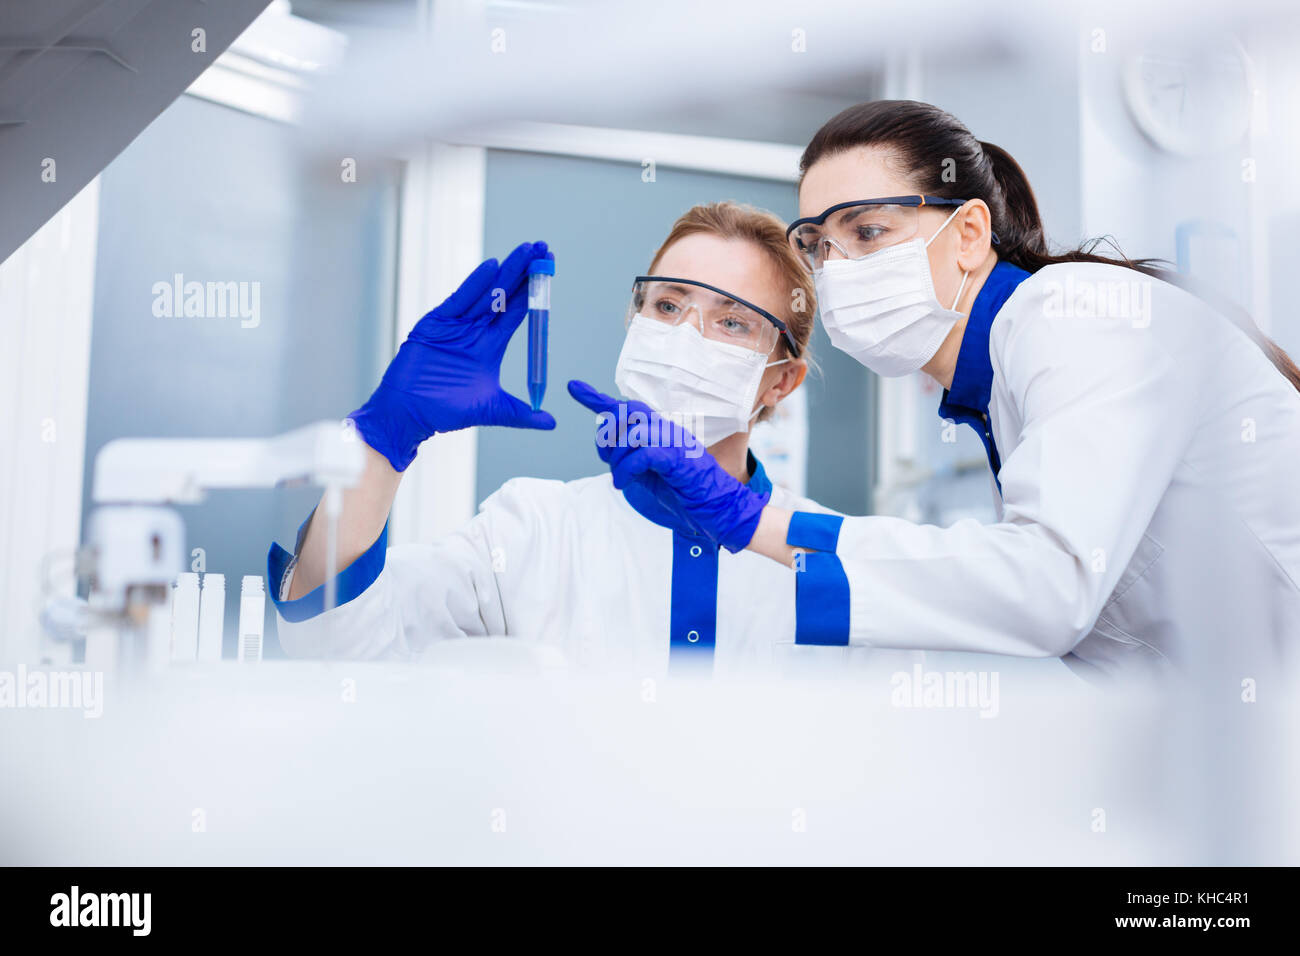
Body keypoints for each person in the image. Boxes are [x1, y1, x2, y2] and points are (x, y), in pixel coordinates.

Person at [571, 100, 1300, 682]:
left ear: (968, 233)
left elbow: (1051, 588)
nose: (837, 266)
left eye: (867, 230)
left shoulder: (1074, 314)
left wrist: (749, 520)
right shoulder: (1003, 392)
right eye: (819, 244)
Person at [268, 202, 838, 675]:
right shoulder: (529, 529)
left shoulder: (826, 555)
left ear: (781, 381)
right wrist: (384, 435)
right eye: (667, 305)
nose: (686, 336)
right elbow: (329, 643)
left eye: (731, 321)